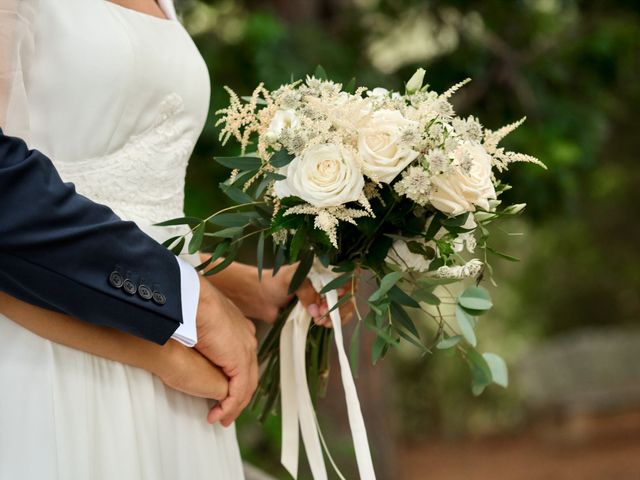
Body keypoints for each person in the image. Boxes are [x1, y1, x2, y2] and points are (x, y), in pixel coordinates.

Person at [0, 0, 348, 478]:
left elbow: (140, 219)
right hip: (56, 363)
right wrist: (188, 314)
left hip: (179, 377)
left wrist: (252, 285)